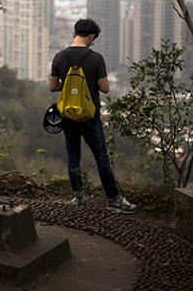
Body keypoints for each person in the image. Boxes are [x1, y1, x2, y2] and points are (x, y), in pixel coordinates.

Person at [49, 18, 137, 213]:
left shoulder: (59, 57)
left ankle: (79, 197)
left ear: (75, 33)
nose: (92, 42)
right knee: (101, 157)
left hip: (68, 115)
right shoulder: (96, 58)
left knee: (73, 155)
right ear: (90, 36)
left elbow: (52, 86)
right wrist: (88, 84)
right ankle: (114, 200)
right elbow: (105, 88)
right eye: (93, 39)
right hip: (89, 115)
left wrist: (70, 86)